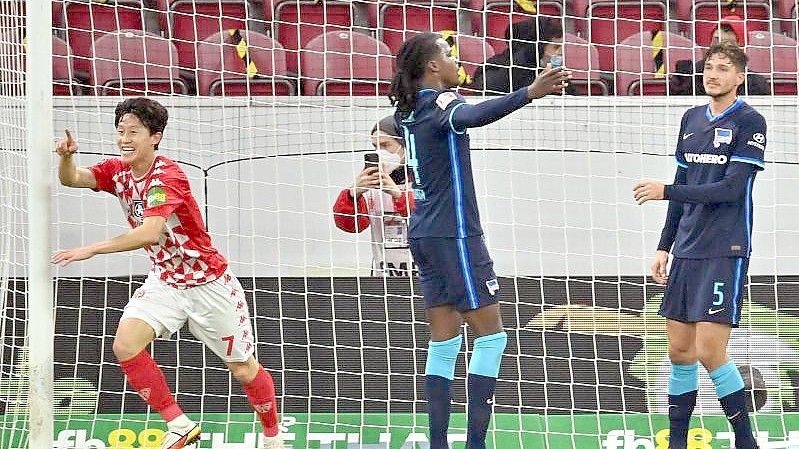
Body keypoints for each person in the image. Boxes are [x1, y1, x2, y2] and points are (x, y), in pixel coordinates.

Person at [51, 98, 283, 449]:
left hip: (207, 283)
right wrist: (67, 157)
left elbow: (148, 232)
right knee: (125, 345)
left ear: (155, 137)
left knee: (243, 368)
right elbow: (73, 180)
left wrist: (91, 248)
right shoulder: (119, 170)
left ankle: (273, 436)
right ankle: (179, 425)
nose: (124, 139)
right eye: (120, 131)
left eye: (133, 132)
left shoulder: (167, 176)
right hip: (165, 279)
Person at [388, 32, 569, 449]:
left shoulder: (406, 112)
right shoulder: (441, 104)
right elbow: (473, 116)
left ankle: (438, 444)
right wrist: (530, 92)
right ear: (432, 67)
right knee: (492, 336)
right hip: (456, 234)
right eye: (448, 55)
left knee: (445, 340)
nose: (455, 60)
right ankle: (474, 444)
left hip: (424, 233)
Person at [634, 42, 766, 449]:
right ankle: (677, 442)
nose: (714, 74)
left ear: (739, 77)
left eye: (724, 68)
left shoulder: (750, 121)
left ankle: (746, 441)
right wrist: (663, 246)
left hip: (724, 248)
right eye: (710, 67)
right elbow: (685, 185)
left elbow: (730, 190)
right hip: (687, 249)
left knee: (711, 352)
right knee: (680, 352)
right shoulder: (691, 117)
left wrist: (666, 191)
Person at [332, 116, 416, 276]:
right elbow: (351, 225)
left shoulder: (426, 179)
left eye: (385, 145)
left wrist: (397, 194)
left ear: (405, 146)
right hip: (382, 276)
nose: (380, 152)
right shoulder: (371, 183)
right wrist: (352, 195)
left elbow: (430, 216)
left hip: (425, 277)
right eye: (375, 146)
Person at [670, 15, 769, 96]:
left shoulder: (756, 85)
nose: (721, 48)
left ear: (741, 48)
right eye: (716, 41)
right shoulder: (687, 77)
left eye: (728, 43)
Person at [471, 17, 570, 95]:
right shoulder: (492, 67)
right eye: (556, 47)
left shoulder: (555, 75)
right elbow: (485, 91)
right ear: (537, 47)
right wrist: (527, 56)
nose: (561, 53)